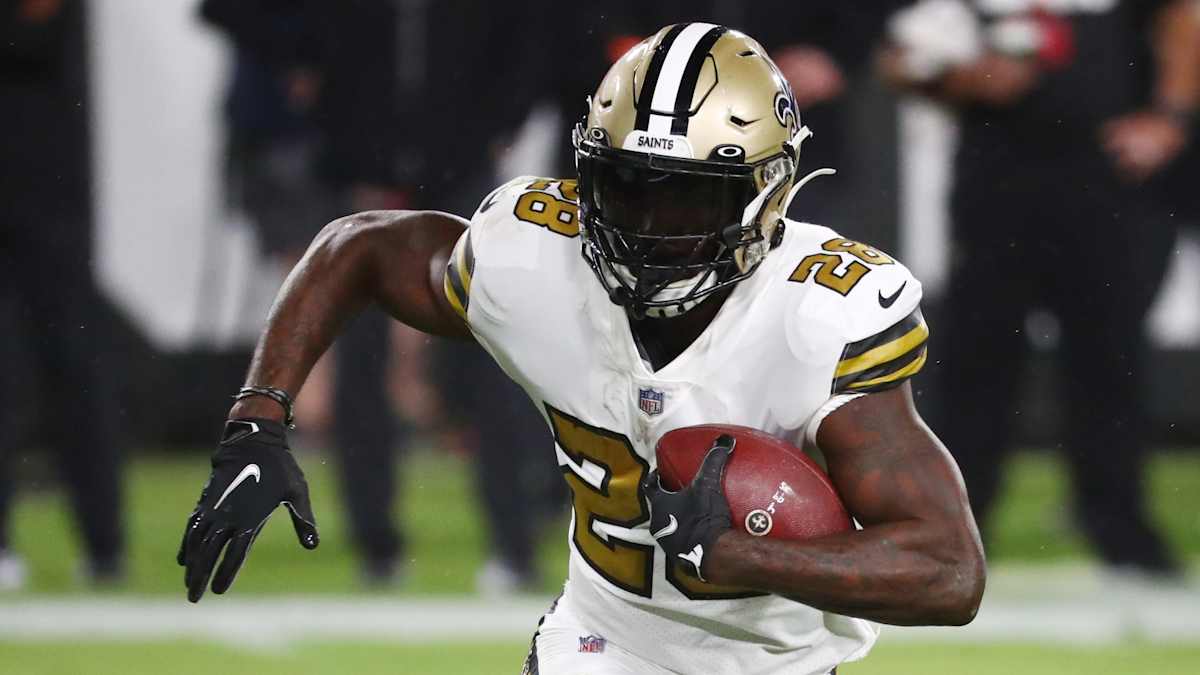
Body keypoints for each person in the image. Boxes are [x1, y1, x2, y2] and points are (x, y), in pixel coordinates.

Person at [178, 24, 986, 674]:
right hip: (604, 644)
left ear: (767, 193)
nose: (650, 227)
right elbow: (357, 246)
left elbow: (949, 572)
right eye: (628, 186)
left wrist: (743, 555)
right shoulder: (535, 257)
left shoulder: (815, 316)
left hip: (780, 662)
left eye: (690, 199)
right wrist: (258, 417)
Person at [879, 0, 1200, 577]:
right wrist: (966, 76)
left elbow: (1181, 14)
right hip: (996, 176)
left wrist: (1170, 118)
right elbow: (899, 58)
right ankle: (956, 530)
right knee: (977, 364)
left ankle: (1120, 530)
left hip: (1107, 175)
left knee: (1111, 361)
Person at [0, 0, 124, 588]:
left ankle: (104, 544)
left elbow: (30, 34)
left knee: (74, 363)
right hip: (41, 182)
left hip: (48, 190)